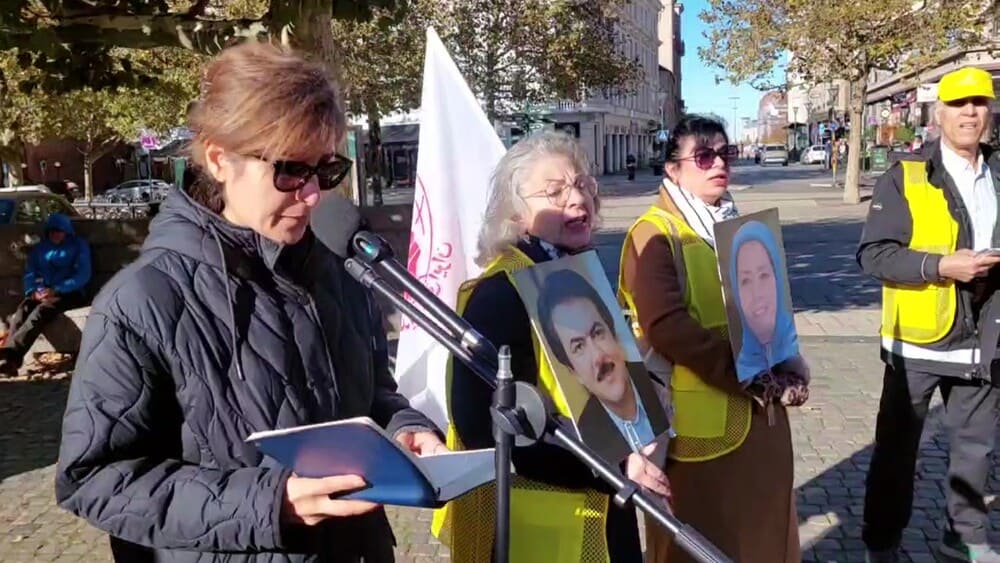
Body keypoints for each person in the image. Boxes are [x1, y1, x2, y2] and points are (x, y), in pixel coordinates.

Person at [54, 41, 443, 563]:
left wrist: (404, 429)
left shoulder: (337, 270)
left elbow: (372, 396)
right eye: (290, 171)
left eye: (325, 171)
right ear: (219, 159)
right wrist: (270, 503)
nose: (311, 194)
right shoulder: (141, 301)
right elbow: (94, 478)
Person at [431, 131, 670, 563]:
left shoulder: (576, 271)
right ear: (516, 213)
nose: (577, 199)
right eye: (555, 192)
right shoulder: (500, 294)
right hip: (537, 528)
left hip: (604, 510)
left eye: (582, 185)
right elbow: (484, 425)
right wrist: (615, 467)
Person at [618, 115, 808, 563]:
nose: (719, 164)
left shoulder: (736, 224)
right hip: (698, 430)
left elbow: (768, 310)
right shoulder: (655, 231)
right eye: (704, 156)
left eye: (726, 154)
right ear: (673, 168)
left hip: (760, 415)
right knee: (702, 545)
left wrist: (788, 359)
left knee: (765, 537)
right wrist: (747, 374)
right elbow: (666, 327)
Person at [857, 66, 1000, 563]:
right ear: (938, 114)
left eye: (978, 103)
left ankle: (963, 538)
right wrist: (940, 266)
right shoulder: (907, 175)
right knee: (896, 455)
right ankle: (882, 545)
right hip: (916, 345)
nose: (969, 113)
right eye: (958, 104)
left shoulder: (997, 172)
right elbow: (874, 254)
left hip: (982, 339)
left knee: (975, 453)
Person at [535, 267, 668, 457]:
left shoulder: (658, 390)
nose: (598, 356)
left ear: (613, 334)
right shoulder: (586, 440)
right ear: (573, 372)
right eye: (579, 347)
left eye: (597, 333)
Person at [0, 212, 91, 376]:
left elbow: (82, 275)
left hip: (70, 292)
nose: (55, 234)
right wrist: (33, 291)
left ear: (66, 231)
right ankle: (9, 360)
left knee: (41, 312)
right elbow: (30, 272)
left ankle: (10, 355)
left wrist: (57, 289)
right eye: (52, 231)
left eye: (59, 231)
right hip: (43, 292)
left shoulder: (78, 245)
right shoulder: (41, 249)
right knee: (22, 310)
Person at [729, 220, 801, 385]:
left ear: (777, 278)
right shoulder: (736, 368)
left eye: (764, 276)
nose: (757, 293)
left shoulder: (795, 359)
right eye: (746, 281)